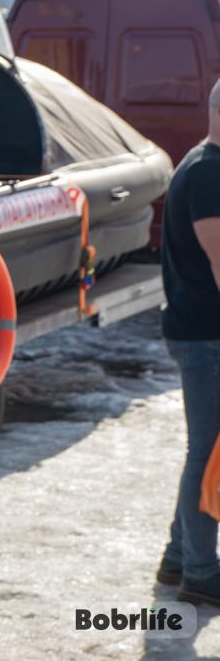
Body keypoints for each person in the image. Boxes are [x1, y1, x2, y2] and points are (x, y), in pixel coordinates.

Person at [158, 78, 220, 605]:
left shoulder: (201, 163)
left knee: (204, 448)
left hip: (199, 331)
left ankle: (179, 556)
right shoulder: (208, 174)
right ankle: (200, 571)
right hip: (206, 336)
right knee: (206, 451)